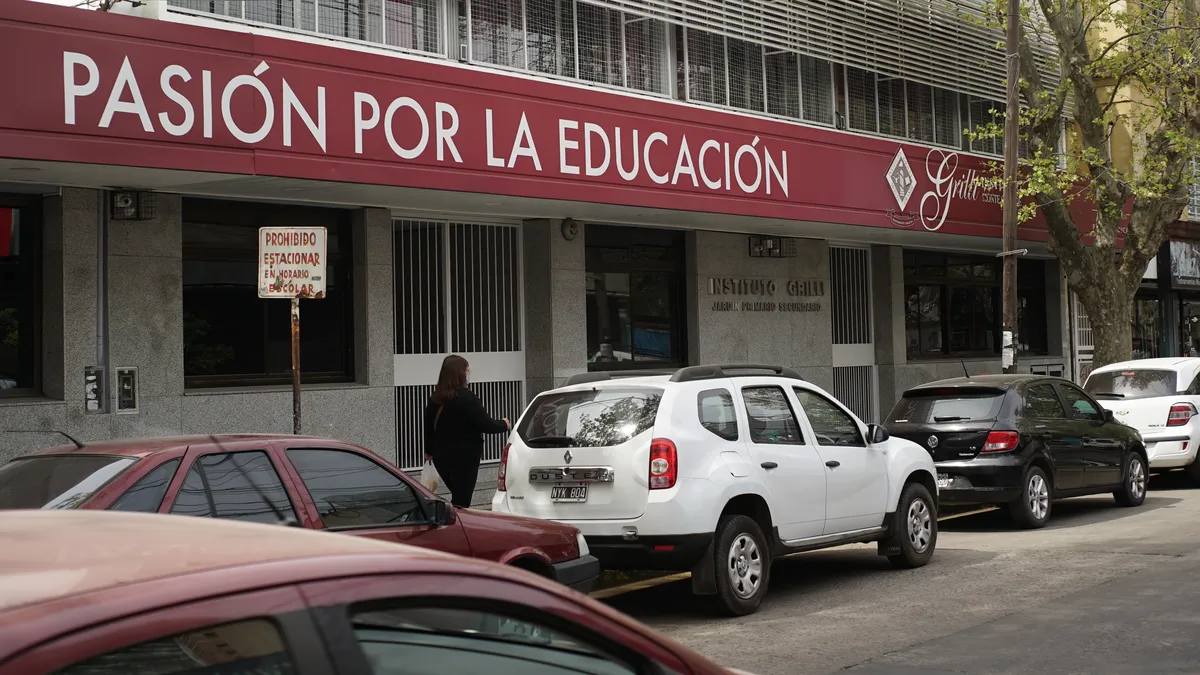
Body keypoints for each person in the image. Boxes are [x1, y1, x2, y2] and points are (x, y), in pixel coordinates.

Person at [424, 355, 510, 508]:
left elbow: (428, 428)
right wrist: (503, 424)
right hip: (464, 459)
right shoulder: (466, 398)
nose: (469, 373)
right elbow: (485, 424)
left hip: (441, 459)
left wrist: (429, 451)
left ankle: (453, 523)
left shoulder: (435, 398)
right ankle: (455, 527)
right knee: (462, 502)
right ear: (459, 374)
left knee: (458, 498)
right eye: (467, 370)